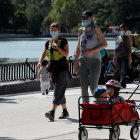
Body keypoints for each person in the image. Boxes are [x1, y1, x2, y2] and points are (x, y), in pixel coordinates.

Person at [37, 23, 71, 121]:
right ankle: (65, 112)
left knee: (57, 91)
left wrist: (57, 47)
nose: (53, 32)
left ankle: (52, 112)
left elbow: (66, 54)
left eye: (55, 30)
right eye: (51, 30)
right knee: (60, 90)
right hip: (53, 70)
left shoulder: (63, 41)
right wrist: (39, 62)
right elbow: (43, 53)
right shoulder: (48, 42)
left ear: (59, 31)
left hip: (63, 69)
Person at [74, 10, 108, 103]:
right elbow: (78, 46)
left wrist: (91, 51)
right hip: (82, 61)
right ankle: (86, 109)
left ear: (91, 18)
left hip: (94, 61)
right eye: (83, 18)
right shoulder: (80, 30)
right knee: (83, 88)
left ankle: (99, 106)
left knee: (94, 87)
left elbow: (105, 44)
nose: (85, 20)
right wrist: (75, 62)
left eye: (87, 18)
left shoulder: (96, 29)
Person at [113, 23, 132, 88]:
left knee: (123, 71)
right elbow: (115, 47)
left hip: (124, 56)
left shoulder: (126, 38)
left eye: (122, 30)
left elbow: (129, 48)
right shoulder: (117, 37)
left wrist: (130, 57)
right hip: (118, 57)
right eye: (120, 30)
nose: (121, 31)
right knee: (120, 71)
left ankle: (121, 84)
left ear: (125, 30)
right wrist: (114, 57)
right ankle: (123, 84)